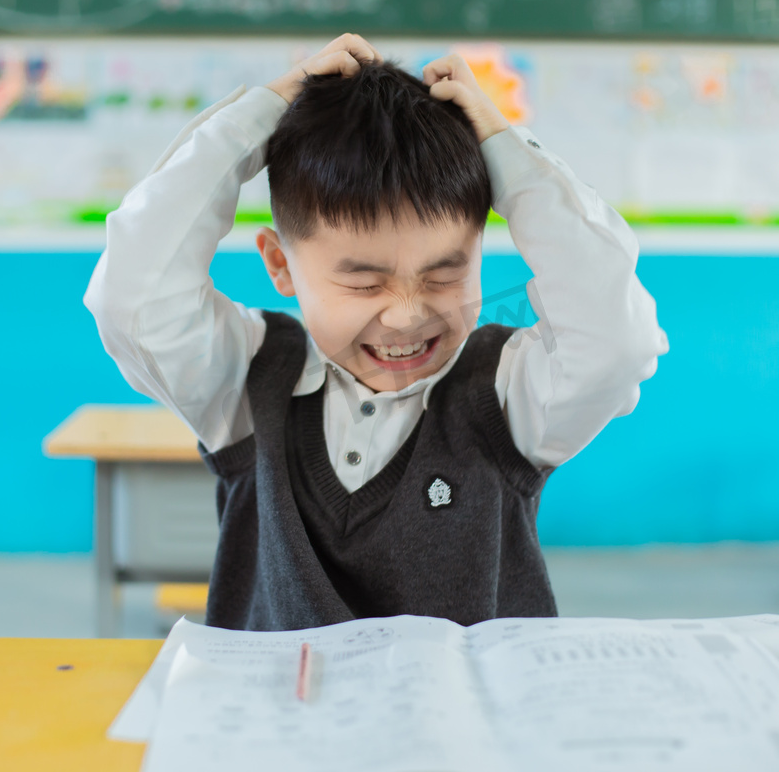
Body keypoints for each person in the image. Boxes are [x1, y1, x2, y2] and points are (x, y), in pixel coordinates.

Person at [85, 34, 667, 631]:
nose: (407, 314)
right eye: (365, 284)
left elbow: (615, 341)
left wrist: (505, 148)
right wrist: (256, 117)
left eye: (447, 274)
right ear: (281, 265)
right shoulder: (244, 380)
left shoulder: (506, 393)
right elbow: (133, 297)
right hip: (282, 721)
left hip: (466, 724)